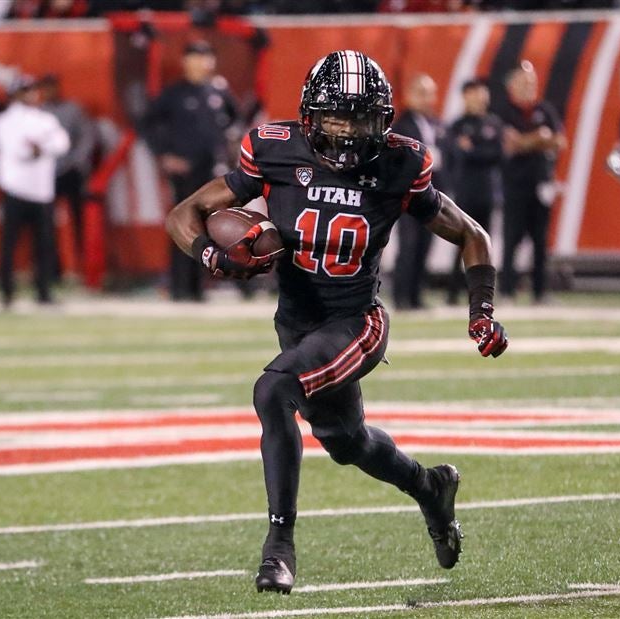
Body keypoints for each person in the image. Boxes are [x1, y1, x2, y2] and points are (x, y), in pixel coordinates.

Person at [164, 50, 508, 594]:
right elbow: (184, 214)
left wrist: (481, 310)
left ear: (383, 120)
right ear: (310, 115)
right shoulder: (274, 150)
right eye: (337, 116)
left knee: (272, 391)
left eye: (360, 117)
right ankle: (429, 487)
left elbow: (472, 234)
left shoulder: (400, 163)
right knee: (347, 443)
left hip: (357, 322)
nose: (348, 131)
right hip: (297, 322)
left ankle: (279, 545)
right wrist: (212, 255)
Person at [145, 40, 239, 302]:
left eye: (206, 56)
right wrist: (165, 155)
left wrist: (230, 149)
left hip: (213, 170)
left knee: (209, 227)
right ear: (186, 62)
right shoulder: (174, 94)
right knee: (184, 222)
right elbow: (148, 124)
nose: (201, 62)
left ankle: (199, 287)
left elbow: (236, 120)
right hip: (185, 170)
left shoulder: (219, 91)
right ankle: (179, 286)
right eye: (196, 57)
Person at [0, 76, 70, 308]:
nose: (31, 95)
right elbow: (16, 149)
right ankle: (7, 292)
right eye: (25, 90)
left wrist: (41, 146)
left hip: (42, 190)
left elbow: (61, 143)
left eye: (32, 90)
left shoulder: (46, 118)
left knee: (44, 245)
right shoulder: (4, 121)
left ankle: (43, 292)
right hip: (15, 187)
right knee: (9, 244)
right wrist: (41, 146)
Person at [493, 61, 565, 304]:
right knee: (512, 239)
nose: (530, 87)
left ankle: (540, 291)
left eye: (532, 82)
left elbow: (559, 141)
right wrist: (539, 138)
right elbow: (512, 144)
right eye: (525, 82)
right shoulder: (503, 112)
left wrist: (530, 141)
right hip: (515, 184)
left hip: (541, 183)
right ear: (512, 85)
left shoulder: (544, 109)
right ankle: (507, 291)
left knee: (541, 240)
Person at [445, 79, 503, 304]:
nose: (480, 99)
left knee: (484, 245)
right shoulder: (457, 125)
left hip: (487, 193)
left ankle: (481, 296)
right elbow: (453, 155)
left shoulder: (493, 123)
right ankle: (453, 293)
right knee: (461, 244)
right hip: (464, 194)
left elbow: (497, 154)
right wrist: (476, 153)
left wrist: (472, 151)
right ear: (466, 96)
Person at [390, 73, 445, 310]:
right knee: (409, 246)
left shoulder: (437, 124)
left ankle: (416, 295)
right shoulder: (402, 124)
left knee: (425, 245)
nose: (427, 99)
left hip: (431, 195)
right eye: (421, 93)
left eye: (430, 93)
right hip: (409, 195)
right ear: (411, 95)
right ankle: (402, 296)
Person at [40, 74, 95, 275]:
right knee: (45, 222)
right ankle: (52, 269)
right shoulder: (39, 113)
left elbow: (86, 136)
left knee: (80, 220)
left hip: (71, 171)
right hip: (46, 174)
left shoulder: (72, 109)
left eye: (51, 87)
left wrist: (76, 162)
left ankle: (85, 268)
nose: (48, 92)